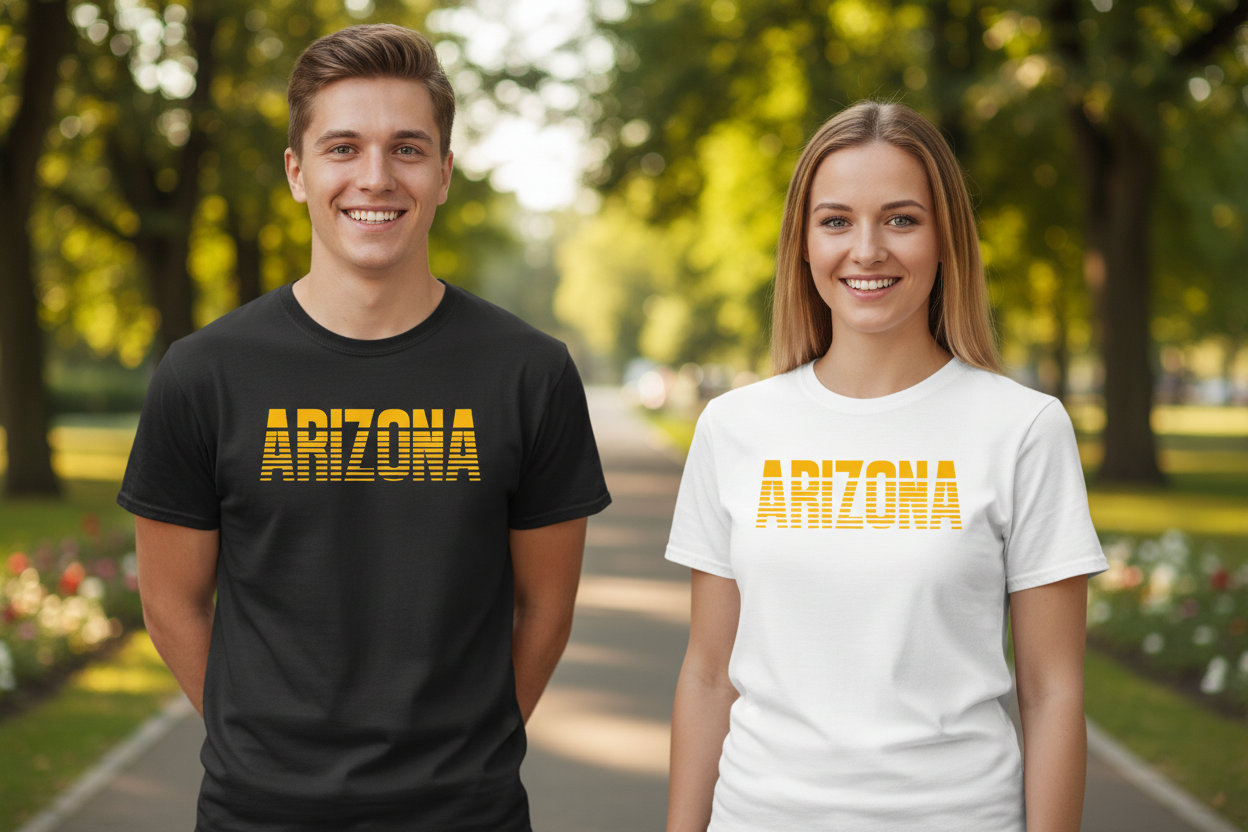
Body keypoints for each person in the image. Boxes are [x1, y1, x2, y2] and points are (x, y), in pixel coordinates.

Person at [118, 24, 611, 832]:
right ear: (297, 172)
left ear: (444, 173)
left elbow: (545, 610)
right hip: (258, 816)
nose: (375, 178)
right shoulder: (203, 374)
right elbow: (173, 605)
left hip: (467, 815)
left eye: (407, 149)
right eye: (342, 148)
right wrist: (264, 758)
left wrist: (466, 761)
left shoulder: (530, 373)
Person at [664, 100, 1107, 832]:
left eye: (900, 219)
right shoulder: (734, 429)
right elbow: (709, 675)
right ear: (802, 245)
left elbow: (1052, 690)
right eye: (836, 221)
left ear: (944, 241)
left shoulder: (1023, 428)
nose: (866, 250)